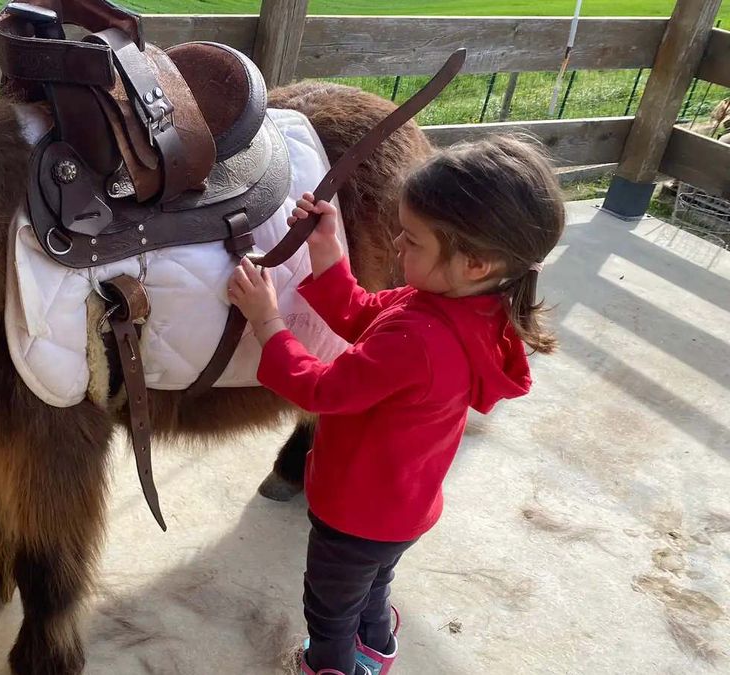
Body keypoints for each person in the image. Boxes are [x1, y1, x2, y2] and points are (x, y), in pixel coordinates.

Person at [227, 136, 566, 675]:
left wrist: (266, 320)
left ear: (475, 263)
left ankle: (329, 665)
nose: (397, 247)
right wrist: (328, 250)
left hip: (354, 512)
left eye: (412, 241)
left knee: (330, 606)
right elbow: (365, 314)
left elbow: (322, 391)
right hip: (403, 510)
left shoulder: (419, 339)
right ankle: (378, 648)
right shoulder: (465, 309)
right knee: (376, 581)